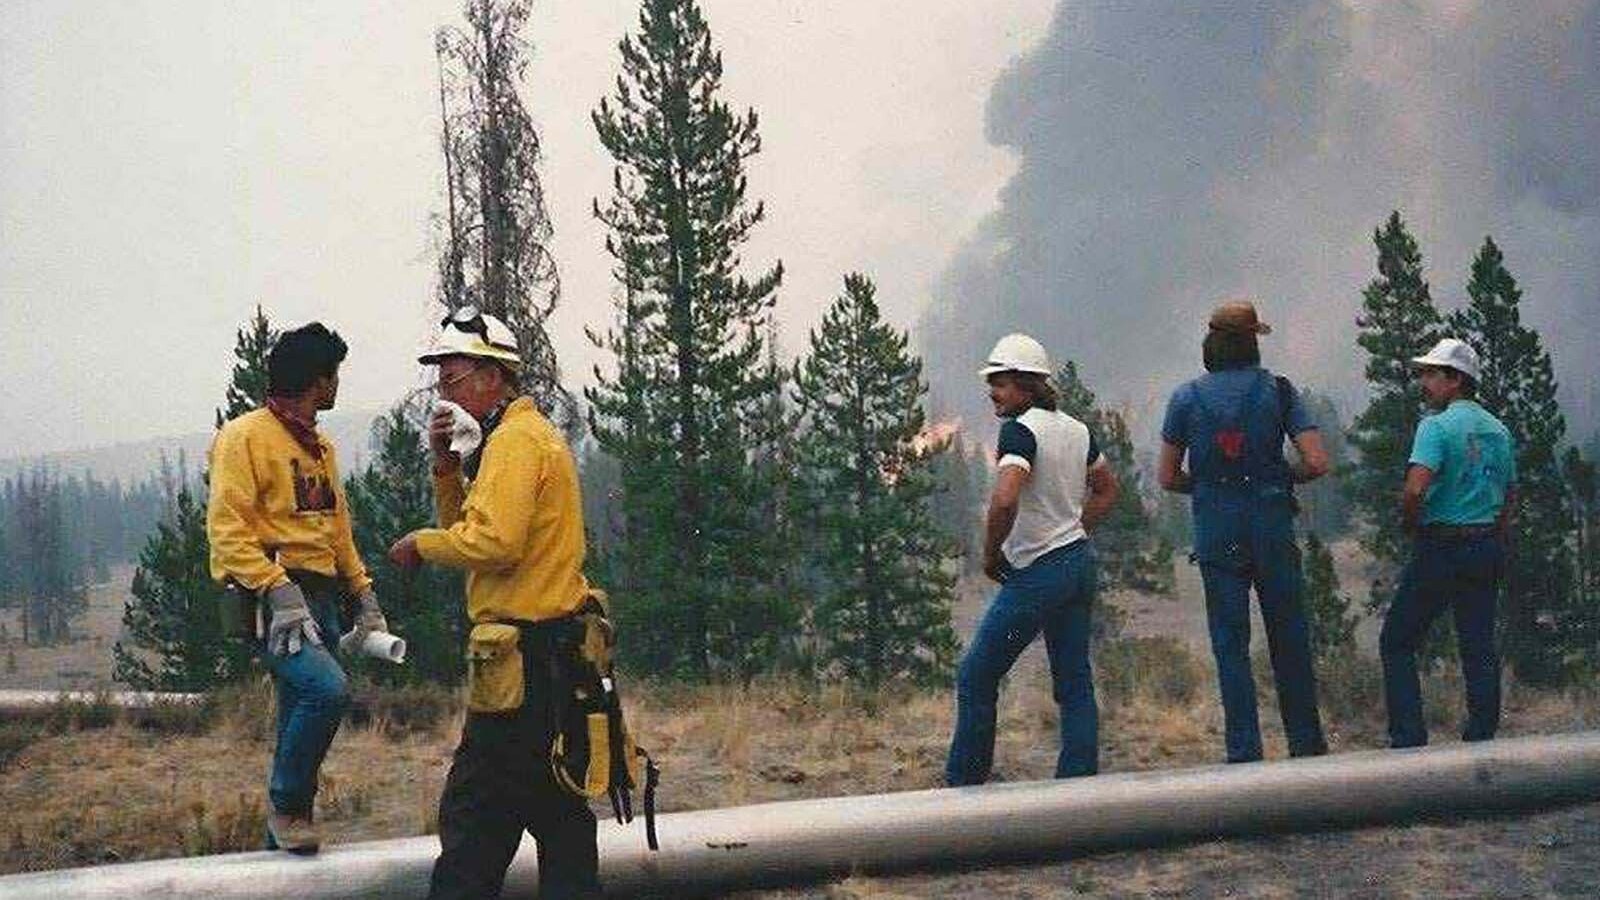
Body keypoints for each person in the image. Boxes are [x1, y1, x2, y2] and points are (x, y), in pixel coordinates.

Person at [389, 306, 600, 899]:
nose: (442, 394)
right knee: (556, 812)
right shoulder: (519, 438)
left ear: (490, 375)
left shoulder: (514, 442)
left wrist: (421, 545)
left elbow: (493, 544)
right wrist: (445, 469)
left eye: (451, 380)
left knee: (475, 813)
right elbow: (476, 531)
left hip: (522, 662)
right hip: (547, 658)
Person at [206, 321, 386, 853]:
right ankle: (288, 806)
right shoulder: (244, 437)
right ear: (319, 379)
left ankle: (275, 852)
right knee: (327, 691)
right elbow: (227, 530)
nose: (337, 386)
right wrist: (274, 588)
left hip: (324, 600)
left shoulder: (319, 449)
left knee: (296, 724)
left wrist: (364, 596)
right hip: (277, 602)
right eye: (334, 374)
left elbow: (337, 530)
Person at [1157, 301, 1329, 763]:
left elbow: (1168, 477)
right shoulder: (1280, 391)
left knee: (1230, 645)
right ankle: (1307, 750)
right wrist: (1276, 476)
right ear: (1253, 343)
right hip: (1271, 525)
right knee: (1289, 640)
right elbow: (1317, 460)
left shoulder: (1185, 398)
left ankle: (1244, 755)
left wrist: (1211, 486)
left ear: (1210, 344)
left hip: (1217, 531)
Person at [945, 333, 1118, 786]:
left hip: (1039, 570)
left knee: (977, 676)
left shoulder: (1020, 431)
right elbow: (1107, 488)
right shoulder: (1078, 429)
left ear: (1025, 384)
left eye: (999, 383)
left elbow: (1004, 501)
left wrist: (990, 554)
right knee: (1074, 681)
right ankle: (1079, 787)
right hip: (1077, 564)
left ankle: (964, 786)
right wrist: (1076, 529)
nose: (992, 392)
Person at [1380, 337, 1515, 748]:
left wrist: (1409, 522)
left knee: (1398, 640)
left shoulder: (1434, 427)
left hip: (1442, 544)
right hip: (1486, 542)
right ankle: (1481, 737)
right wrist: (1497, 536)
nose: (1424, 381)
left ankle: (1409, 738)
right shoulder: (1498, 429)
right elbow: (1509, 496)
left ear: (1454, 379)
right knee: (1477, 641)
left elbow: (1416, 488)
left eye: (1431, 374)